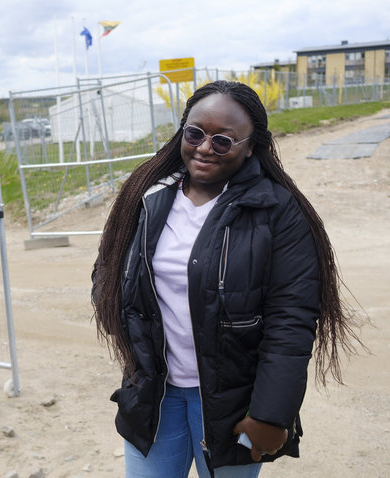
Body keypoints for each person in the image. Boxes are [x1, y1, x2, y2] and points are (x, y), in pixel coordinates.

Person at [91, 81, 361, 478]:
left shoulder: (277, 212)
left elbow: (292, 318)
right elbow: (107, 269)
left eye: (223, 141)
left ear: (251, 146)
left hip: (231, 405)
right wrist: (123, 325)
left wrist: (271, 413)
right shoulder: (146, 196)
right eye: (196, 133)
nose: (204, 147)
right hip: (153, 396)